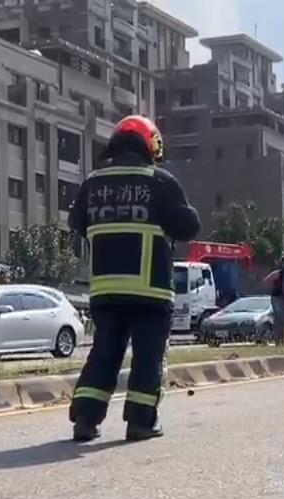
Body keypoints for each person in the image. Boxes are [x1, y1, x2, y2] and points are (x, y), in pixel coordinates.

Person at [68, 115, 199, 442]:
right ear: (152, 145)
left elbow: (76, 223)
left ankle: (85, 419)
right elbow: (188, 226)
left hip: (105, 289)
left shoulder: (92, 183)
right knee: (148, 356)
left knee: (104, 352)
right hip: (149, 289)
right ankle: (141, 421)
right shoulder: (159, 181)